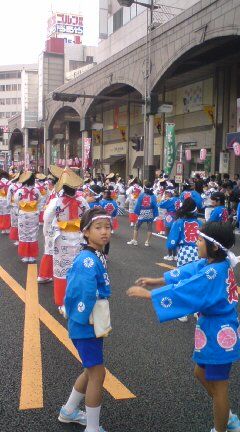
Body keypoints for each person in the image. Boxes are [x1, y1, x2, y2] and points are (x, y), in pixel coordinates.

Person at [127, 221, 240, 432]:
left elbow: (188, 290)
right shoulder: (216, 264)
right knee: (201, 373)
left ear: (214, 246)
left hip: (219, 332)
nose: (195, 243)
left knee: (220, 387)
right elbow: (189, 272)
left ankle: (223, 425)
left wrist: (150, 294)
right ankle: (226, 415)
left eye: (199, 240)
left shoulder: (213, 272)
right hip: (212, 328)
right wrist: (156, 280)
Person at [58, 208, 112, 432]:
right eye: (98, 228)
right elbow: (82, 294)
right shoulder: (88, 260)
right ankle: (91, 427)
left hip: (88, 322)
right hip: (86, 323)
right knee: (98, 374)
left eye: (107, 227)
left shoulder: (94, 254)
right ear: (86, 231)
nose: (105, 232)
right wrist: (84, 318)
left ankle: (69, 411)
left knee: (90, 370)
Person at [43, 167, 89, 306]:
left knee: (62, 271)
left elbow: (47, 218)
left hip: (61, 239)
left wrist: (48, 235)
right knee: (79, 270)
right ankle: (78, 300)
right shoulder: (83, 200)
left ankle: (62, 302)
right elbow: (89, 218)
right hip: (80, 238)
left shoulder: (56, 201)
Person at [37, 166, 63, 284]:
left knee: (50, 249)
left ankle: (46, 274)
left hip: (55, 225)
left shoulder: (56, 192)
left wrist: (46, 229)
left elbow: (47, 215)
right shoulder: (60, 192)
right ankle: (48, 274)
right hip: (61, 227)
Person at [14, 171, 41, 263]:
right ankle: (32, 256)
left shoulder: (19, 191)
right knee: (33, 235)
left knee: (24, 235)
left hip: (23, 214)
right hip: (34, 215)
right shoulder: (36, 191)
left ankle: (26, 256)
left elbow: (16, 201)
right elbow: (40, 200)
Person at [127, 181, 158, 247]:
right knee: (149, 227)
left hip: (142, 212)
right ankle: (147, 242)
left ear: (145, 187)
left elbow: (138, 205)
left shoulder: (142, 195)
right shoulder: (153, 196)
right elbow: (155, 206)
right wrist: (155, 214)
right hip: (150, 213)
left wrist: (137, 212)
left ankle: (135, 240)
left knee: (137, 226)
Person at [158, 188, 180, 261]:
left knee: (169, 236)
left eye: (167, 193)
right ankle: (175, 255)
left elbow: (160, 205)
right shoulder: (179, 200)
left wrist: (164, 199)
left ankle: (170, 255)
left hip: (170, 217)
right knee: (176, 236)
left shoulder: (170, 200)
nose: (166, 194)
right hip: (178, 217)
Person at [7, 172, 21, 245]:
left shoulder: (11, 186)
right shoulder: (24, 186)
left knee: (15, 223)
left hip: (14, 206)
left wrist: (8, 205)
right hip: (23, 207)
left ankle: (17, 240)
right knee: (22, 223)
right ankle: (21, 239)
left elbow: (9, 197)